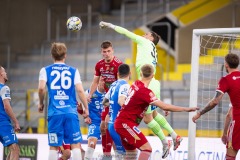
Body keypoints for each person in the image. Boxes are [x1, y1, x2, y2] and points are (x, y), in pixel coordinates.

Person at [99, 21, 182, 157]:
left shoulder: (144, 42)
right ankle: (174, 136)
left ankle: (165, 142)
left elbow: (126, 32)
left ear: (151, 39)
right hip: (154, 82)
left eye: (147, 34)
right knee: (154, 115)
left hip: (148, 83)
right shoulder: (151, 48)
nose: (144, 34)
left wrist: (110, 25)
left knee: (148, 119)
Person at [114, 64, 199, 160]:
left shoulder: (135, 83)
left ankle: (167, 139)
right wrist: (186, 109)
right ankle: (169, 138)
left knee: (132, 153)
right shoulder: (146, 92)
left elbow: (139, 101)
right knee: (147, 149)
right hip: (126, 125)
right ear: (153, 75)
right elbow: (163, 105)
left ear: (140, 73)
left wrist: (162, 107)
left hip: (122, 123)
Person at [38, 42, 90, 160]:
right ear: (65, 55)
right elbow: (80, 91)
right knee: (75, 144)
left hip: (55, 113)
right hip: (70, 112)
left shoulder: (45, 70)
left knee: (54, 146)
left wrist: (41, 103)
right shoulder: (73, 71)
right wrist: (86, 108)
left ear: (52, 55)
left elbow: (41, 89)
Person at [192, 53, 240, 160]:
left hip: (238, 123)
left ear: (226, 64)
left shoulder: (226, 80)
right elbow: (229, 114)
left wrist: (200, 113)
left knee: (230, 157)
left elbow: (215, 101)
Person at [87, 41, 123, 158]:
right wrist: (90, 95)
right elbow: (95, 81)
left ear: (112, 50)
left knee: (111, 126)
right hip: (106, 100)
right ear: (101, 52)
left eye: (108, 51)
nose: (106, 54)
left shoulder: (118, 64)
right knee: (103, 127)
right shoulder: (99, 65)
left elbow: (120, 83)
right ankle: (106, 154)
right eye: (104, 51)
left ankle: (118, 154)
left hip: (116, 100)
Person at [103, 64, 131, 159]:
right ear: (130, 73)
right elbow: (121, 101)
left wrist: (112, 107)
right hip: (119, 126)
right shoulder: (125, 85)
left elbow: (105, 101)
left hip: (111, 125)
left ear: (118, 74)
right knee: (129, 154)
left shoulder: (113, 84)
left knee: (120, 155)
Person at [0, 66, 20, 160]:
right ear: (1, 74)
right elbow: (6, 106)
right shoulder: (4, 88)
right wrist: (16, 121)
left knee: (12, 149)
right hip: (2, 122)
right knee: (14, 149)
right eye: (4, 71)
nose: (6, 73)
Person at [83, 77, 106, 160]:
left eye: (105, 80)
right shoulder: (89, 93)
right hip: (95, 122)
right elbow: (83, 104)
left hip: (107, 123)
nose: (104, 82)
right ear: (97, 81)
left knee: (109, 148)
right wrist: (86, 116)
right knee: (91, 143)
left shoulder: (110, 92)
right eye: (102, 80)